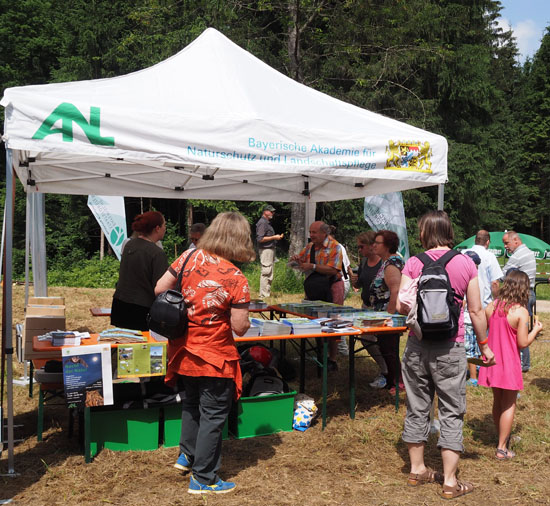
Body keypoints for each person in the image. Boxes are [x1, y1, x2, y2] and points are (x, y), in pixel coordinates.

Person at [396, 210, 495, 500]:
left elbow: (400, 305)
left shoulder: (414, 262)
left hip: (417, 345)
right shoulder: (465, 262)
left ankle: (417, 469)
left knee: (417, 405)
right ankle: (450, 481)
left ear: (425, 233)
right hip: (452, 346)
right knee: (452, 410)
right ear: (449, 231)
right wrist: (485, 345)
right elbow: (476, 310)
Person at [155, 212, 255, 495]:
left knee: (191, 405)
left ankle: (186, 456)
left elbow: (160, 288)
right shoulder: (236, 277)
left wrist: (188, 307)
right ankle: (204, 479)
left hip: (183, 349)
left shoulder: (188, 258)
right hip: (214, 355)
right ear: (239, 239)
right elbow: (240, 328)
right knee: (213, 414)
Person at [477, 270, 543, 460]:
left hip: (492, 361)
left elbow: (484, 328)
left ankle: (501, 439)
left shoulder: (492, 306)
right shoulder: (520, 312)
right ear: (522, 288)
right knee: (509, 404)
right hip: (509, 363)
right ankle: (502, 448)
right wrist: (536, 330)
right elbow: (522, 343)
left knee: (497, 401)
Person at [290, 220, 343, 369]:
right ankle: (321, 354)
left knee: (332, 323)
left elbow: (334, 270)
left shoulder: (335, 247)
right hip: (316, 289)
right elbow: (302, 262)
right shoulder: (310, 247)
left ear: (324, 233)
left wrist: (313, 266)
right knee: (316, 320)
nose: (311, 235)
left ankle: (332, 359)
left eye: (314, 232)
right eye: (310, 232)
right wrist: (297, 261)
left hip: (332, 287)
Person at [110, 211, 168, 331]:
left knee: (124, 346)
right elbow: (161, 288)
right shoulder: (157, 253)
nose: (165, 229)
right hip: (141, 310)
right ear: (157, 228)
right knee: (142, 348)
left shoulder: (129, 245)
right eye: (164, 225)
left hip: (120, 304)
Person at [462, 231, 503, 386]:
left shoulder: (463, 253)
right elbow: (495, 283)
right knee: (484, 341)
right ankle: (484, 372)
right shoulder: (490, 256)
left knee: (469, 343)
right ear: (487, 242)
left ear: (475, 240)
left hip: (466, 305)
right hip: (484, 306)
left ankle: (472, 376)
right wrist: (497, 300)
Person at [350, 231, 388, 386]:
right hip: (366, 307)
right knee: (367, 339)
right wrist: (355, 281)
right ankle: (384, 369)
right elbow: (360, 284)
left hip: (380, 310)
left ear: (373, 246)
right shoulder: (365, 262)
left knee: (382, 342)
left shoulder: (384, 263)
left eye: (361, 246)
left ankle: (387, 372)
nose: (359, 250)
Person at [368, 230, 404, 393]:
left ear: (388, 245)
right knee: (386, 348)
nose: (373, 245)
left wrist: (388, 318)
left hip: (389, 315)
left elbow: (395, 292)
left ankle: (398, 383)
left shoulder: (392, 264)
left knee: (389, 350)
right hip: (382, 313)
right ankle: (392, 381)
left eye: (377, 243)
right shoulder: (386, 262)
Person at [502, 230, 536, 372]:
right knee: (522, 328)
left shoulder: (518, 255)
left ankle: (523, 364)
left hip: (521, 295)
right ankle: (523, 363)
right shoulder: (526, 252)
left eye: (507, 243)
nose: (505, 246)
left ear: (516, 240)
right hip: (529, 293)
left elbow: (504, 274)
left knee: (519, 330)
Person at [461, 250, 483, 386]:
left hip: (469, 319)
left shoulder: (467, 278)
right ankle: (482, 373)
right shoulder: (480, 278)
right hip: (482, 318)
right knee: (480, 346)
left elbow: (463, 302)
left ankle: (473, 377)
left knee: (469, 350)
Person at [256, 205, 284, 298]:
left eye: (273, 212)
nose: (273, 213)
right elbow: (260, 239)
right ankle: (263, 295)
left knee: (269, 272)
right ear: (265, 212)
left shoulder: (267, 223)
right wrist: (274, 237)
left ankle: (266, 294)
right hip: (265, 250)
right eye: (271, 211)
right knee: (266, 272)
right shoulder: (262, 223)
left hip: (270, 249)